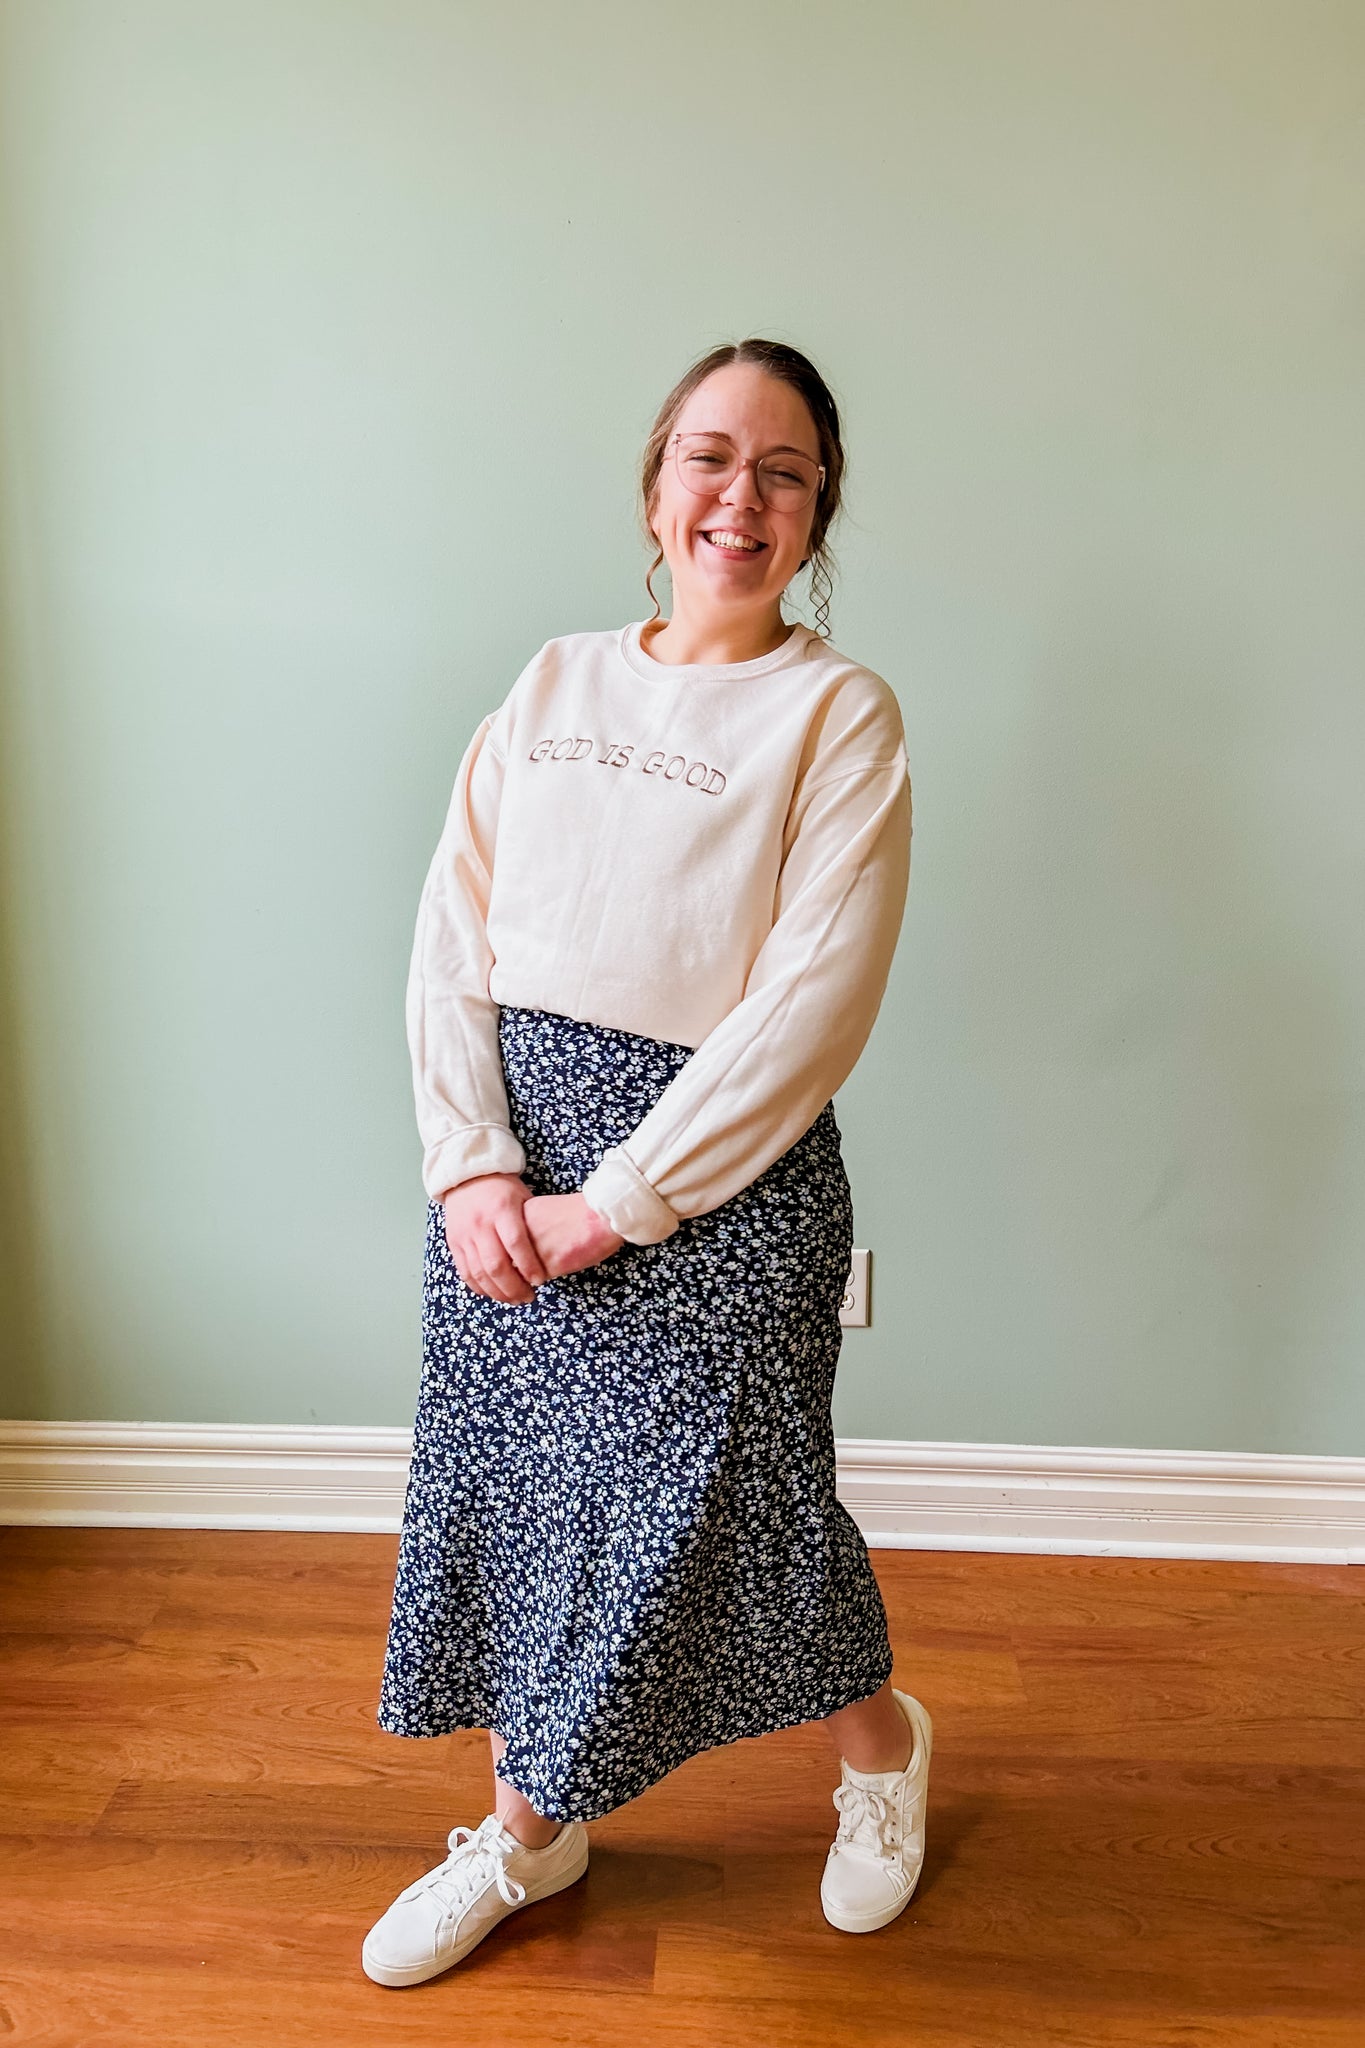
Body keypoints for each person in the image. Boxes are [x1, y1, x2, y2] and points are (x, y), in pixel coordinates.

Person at [362, 336, 931, 1989]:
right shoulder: (546, 687)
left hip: (715, 1188)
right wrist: (472, 1169)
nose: (737, 498)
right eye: (707, 457)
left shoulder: (837, 715)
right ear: (654, 485)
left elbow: (806, 1007)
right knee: (528, 1501)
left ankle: (880, 1758)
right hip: (501, 1174)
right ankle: (536, 1838)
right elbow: (447, 942)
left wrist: (613, 1204)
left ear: (817, 517)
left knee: (729, 1515)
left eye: (782, 474)